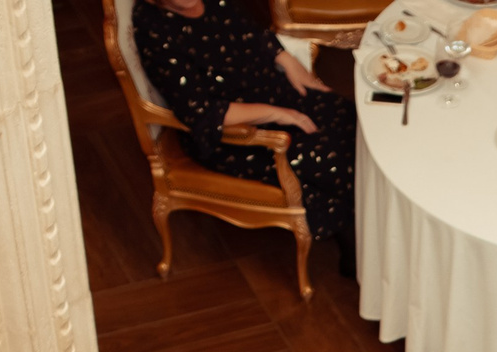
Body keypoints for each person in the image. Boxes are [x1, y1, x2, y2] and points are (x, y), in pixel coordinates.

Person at [131, 0, 360, 272]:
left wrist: (287, 61)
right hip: (232, 134)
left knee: (350, 119)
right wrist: (278, 114)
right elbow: (200, 112)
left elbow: (247, 30)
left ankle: (360, 223)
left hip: (270, 91)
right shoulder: (155, 30)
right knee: (328, 159)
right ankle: (354, 241)